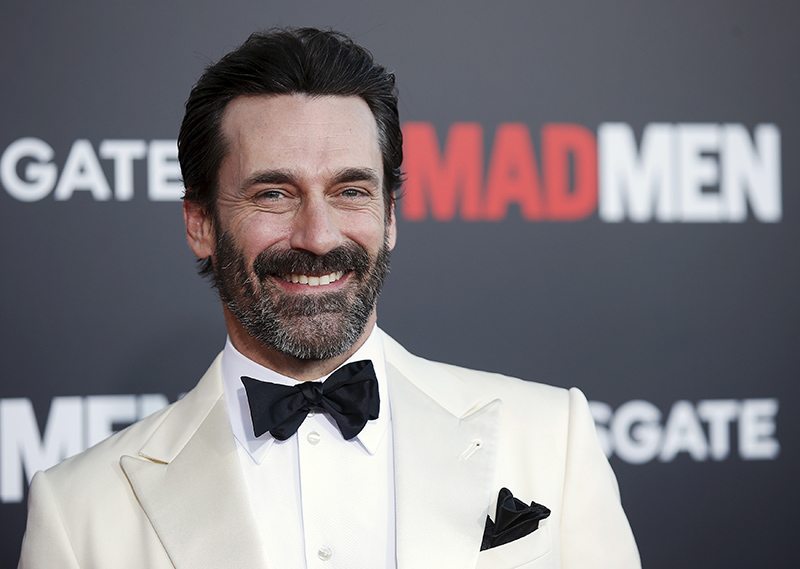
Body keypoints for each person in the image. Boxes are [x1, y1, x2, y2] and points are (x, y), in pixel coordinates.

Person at [18, 28, 640, 569]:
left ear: (390, 215)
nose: (317, 237)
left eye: (350, 191)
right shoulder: (80, 512)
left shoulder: (550, 438)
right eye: (273, 194)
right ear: (200, 223)